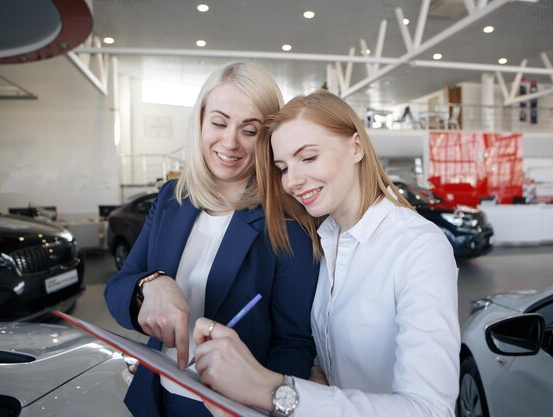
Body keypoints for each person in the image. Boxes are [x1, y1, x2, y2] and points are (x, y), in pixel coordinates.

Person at [192, 89, 460, 417]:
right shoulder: (324, 238)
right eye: (283, 167)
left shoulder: (418, 247)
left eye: (308, 157)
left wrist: (269, 388)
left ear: (356, 147)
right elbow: (333, 365)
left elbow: (431, 409)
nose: (292, 181)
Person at [104, 62, 319, 417]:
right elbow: (118, 287)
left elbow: (294, 343)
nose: (230, 142)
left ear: (267, 138)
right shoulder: (173, 197)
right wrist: (149, 285)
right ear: (201, 121)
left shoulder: (286, 219)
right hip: (154, 397)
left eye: (249, 131)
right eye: (219, 123)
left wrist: (258, 398)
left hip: (230, 409)